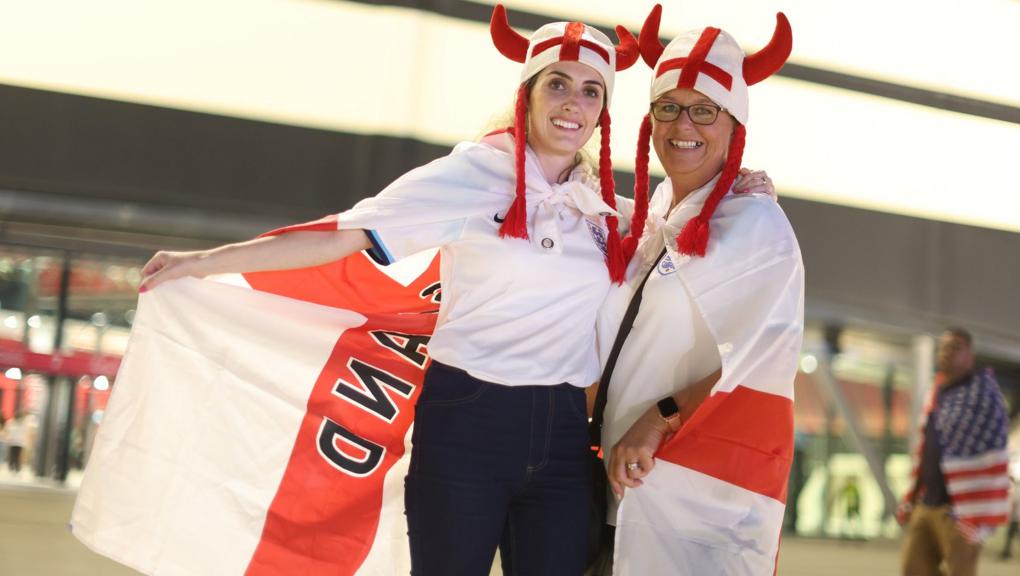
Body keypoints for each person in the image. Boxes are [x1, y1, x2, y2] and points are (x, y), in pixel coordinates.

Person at [139, 6, 652, 575]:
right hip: (468, 420)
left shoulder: (603, 210)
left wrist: (738, 192)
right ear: (527, 92)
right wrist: (206, 262)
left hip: (562, 432)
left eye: (590, 92)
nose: (572, 104)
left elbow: (682, 241)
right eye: (557, 83)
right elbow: (346, 232)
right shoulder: (472, 176)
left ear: (603, 112)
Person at [594, 6, 804, 574]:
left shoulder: (755, 226)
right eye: (668, 107)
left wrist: (660, 416)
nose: (683, 125)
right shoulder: (661, 210)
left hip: (684, 498)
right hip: (603, 492)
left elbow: (763, 363)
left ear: (735, 126)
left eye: (705, 111)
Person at [898, 327, 1010, 576]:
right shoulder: (936, 392)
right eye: (944, 347)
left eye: (956, 347)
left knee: (961, 571)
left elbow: (993, 450)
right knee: (913, 569)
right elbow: (925, 447)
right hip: (926, 503)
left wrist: (973, 509)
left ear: (970, 355)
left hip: (960, 509)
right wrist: (912, 496)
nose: (947, 353)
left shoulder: (982, 393)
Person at [1001, 474, 1020, 560]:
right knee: (1013, 536)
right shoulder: (1017, 491)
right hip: (1016, 517)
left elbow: (1012, 504)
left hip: (1015, 517)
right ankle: (1006, 553)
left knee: (1012, 536)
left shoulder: (1015, 491)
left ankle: (1006, 554)